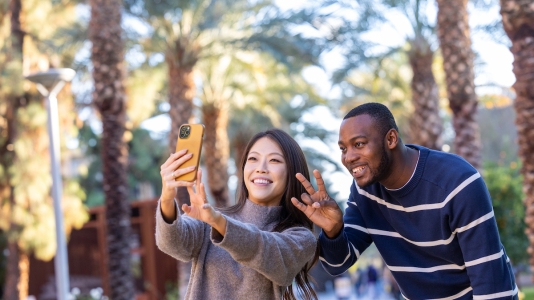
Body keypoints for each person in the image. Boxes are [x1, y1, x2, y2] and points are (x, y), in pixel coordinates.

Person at [291, 102, 518, 299]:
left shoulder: (457, 182)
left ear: (390, 138)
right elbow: (337, 264)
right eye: (343, 148)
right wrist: (333, 231)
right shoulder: (365, 191)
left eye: (359, 144)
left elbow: (491, 284)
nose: (348, 157)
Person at [156, 128, 318, 300]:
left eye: (274, 160)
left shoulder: (301, 238)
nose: (261, 168)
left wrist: (219, 223)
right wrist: (167, 198)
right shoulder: (209, 218)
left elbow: (265, 249)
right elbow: (172, 244)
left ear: (292, 173)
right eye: (253, 159)